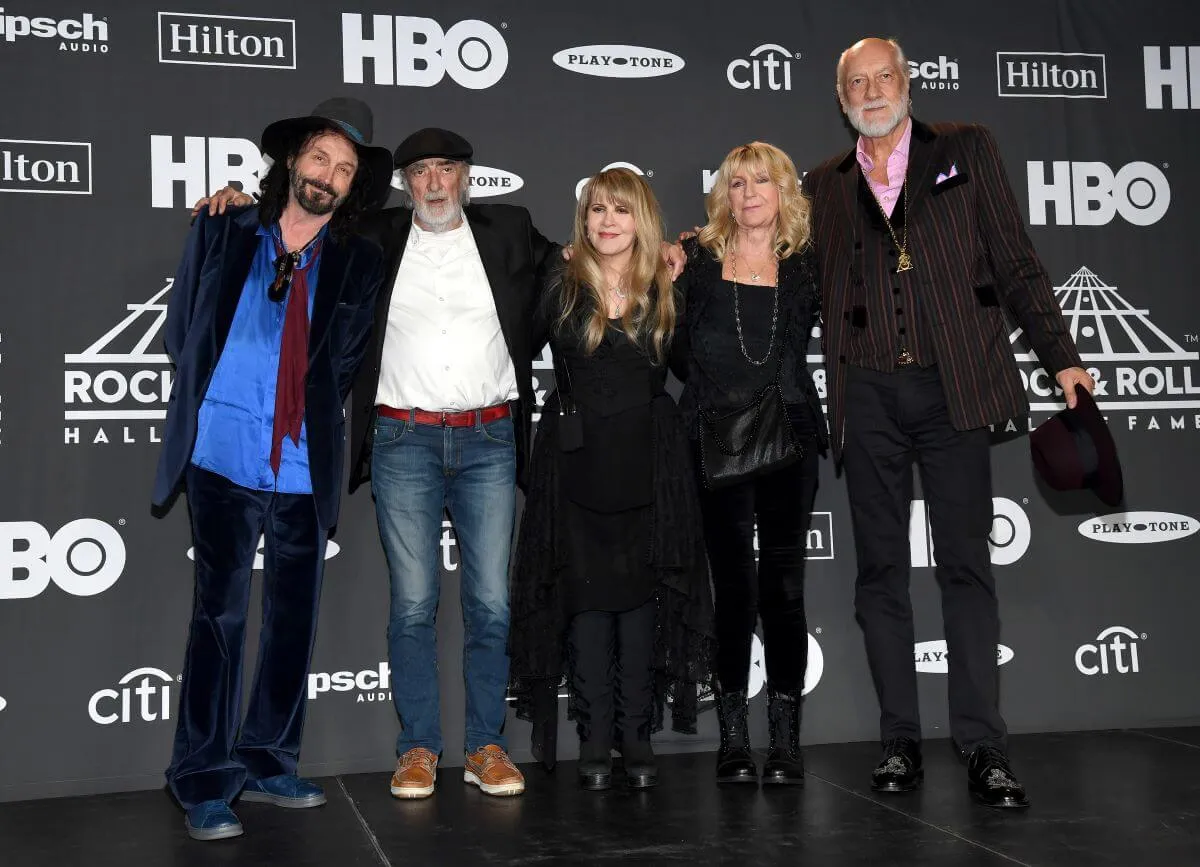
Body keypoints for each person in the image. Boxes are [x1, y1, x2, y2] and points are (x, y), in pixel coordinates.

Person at [200, 129, 686, 801]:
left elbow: (593, 257)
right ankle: (418, 749)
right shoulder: (372, 234)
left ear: (467, 179)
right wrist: (241, 201)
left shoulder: (511, 228)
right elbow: (300, 211)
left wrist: (665, 251)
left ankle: (485, 746)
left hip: (490, 439)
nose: (433, 183)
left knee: (491, 603)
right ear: (404, 182)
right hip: (404, 440)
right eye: (420, 171)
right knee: (414, 604)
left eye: (447, 170)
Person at [803, 37, 1095, 809]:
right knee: (879, 574)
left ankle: (984, 746)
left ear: (908, 83)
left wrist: (1060, 356)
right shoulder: (823, 185)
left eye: (883, 78)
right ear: (841, 100)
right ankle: (899, 738)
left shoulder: (967, 148)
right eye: (855, 83)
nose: (870, 91)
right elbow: (780, 267)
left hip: (954, 388)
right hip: (865, 393)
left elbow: (1016, 256)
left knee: (965, 567)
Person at [151, 97, 390, 840]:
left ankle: (266, 757)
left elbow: (344, 362)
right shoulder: (225, 225)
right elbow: (182, 330)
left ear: (354, 187)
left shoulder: (359, 260)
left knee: (293, 621)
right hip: (221, 450)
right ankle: (201, 776)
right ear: (293, 161)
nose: (328, 175)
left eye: (345, 169)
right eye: (320, 158)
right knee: (218, 617)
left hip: (301, 462)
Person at [507, 168, 714, 791]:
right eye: (597, 209)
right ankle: (594, 739)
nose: (607, 221)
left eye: (620, 211)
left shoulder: (666, 286)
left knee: (641, 604)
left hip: (650, 464)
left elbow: (689, 366)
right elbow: (513, 338)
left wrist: (688, 268)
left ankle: (636, 736)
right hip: (575, 466)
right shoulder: (561, 283)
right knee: (589, 604)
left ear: (641, 220)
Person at [673, 142, 826, 786]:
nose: (750, 193)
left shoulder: (808, 266)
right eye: (738, 184)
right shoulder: (699, 263)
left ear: (784, 190)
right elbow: (674, 350)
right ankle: (734, 738)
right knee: (733, 591)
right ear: (724, 196)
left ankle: (785, 741)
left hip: (788, 438)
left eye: (763, 181)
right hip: (716, 439)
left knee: (784, 593)